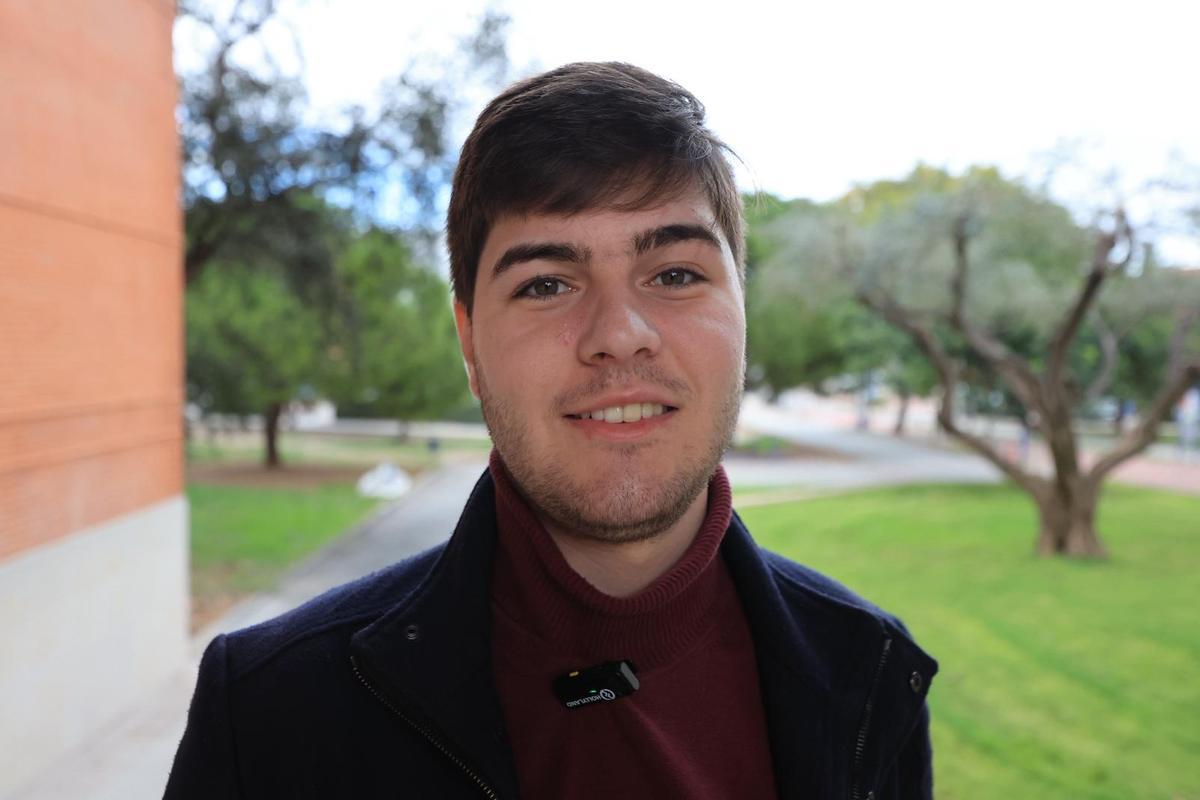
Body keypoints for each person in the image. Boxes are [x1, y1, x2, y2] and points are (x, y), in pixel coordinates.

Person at [165, 62, 937, 799]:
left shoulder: (871, 673)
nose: (621, 333)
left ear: (742, 310)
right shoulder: (273, 709)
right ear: (470, 344)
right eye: (547, 283)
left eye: (674, 273)